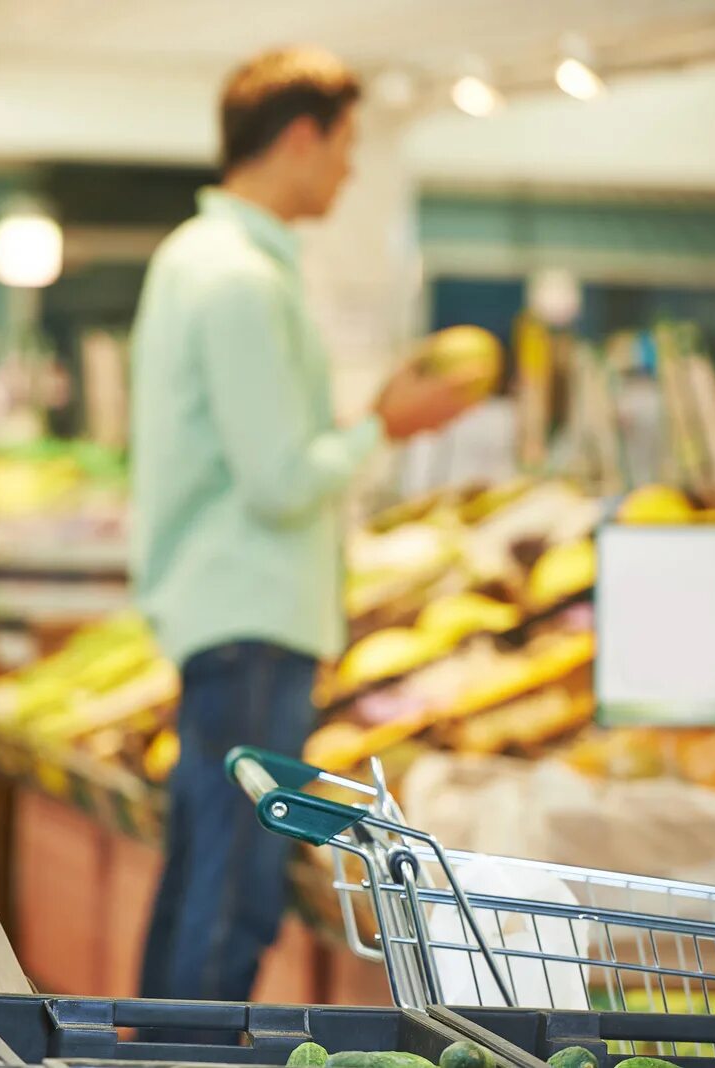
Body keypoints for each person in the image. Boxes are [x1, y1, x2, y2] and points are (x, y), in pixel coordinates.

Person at [130, 47, 479, 1002]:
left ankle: (161, 1058)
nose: (350, 170)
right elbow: (282, 479)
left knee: (207, 873)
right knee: (232, 893)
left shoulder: (197, 260)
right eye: (345, 145)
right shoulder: (240, 276)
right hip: (253, 623)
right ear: (298, 138)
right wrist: (385, 425)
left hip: (230, 620)